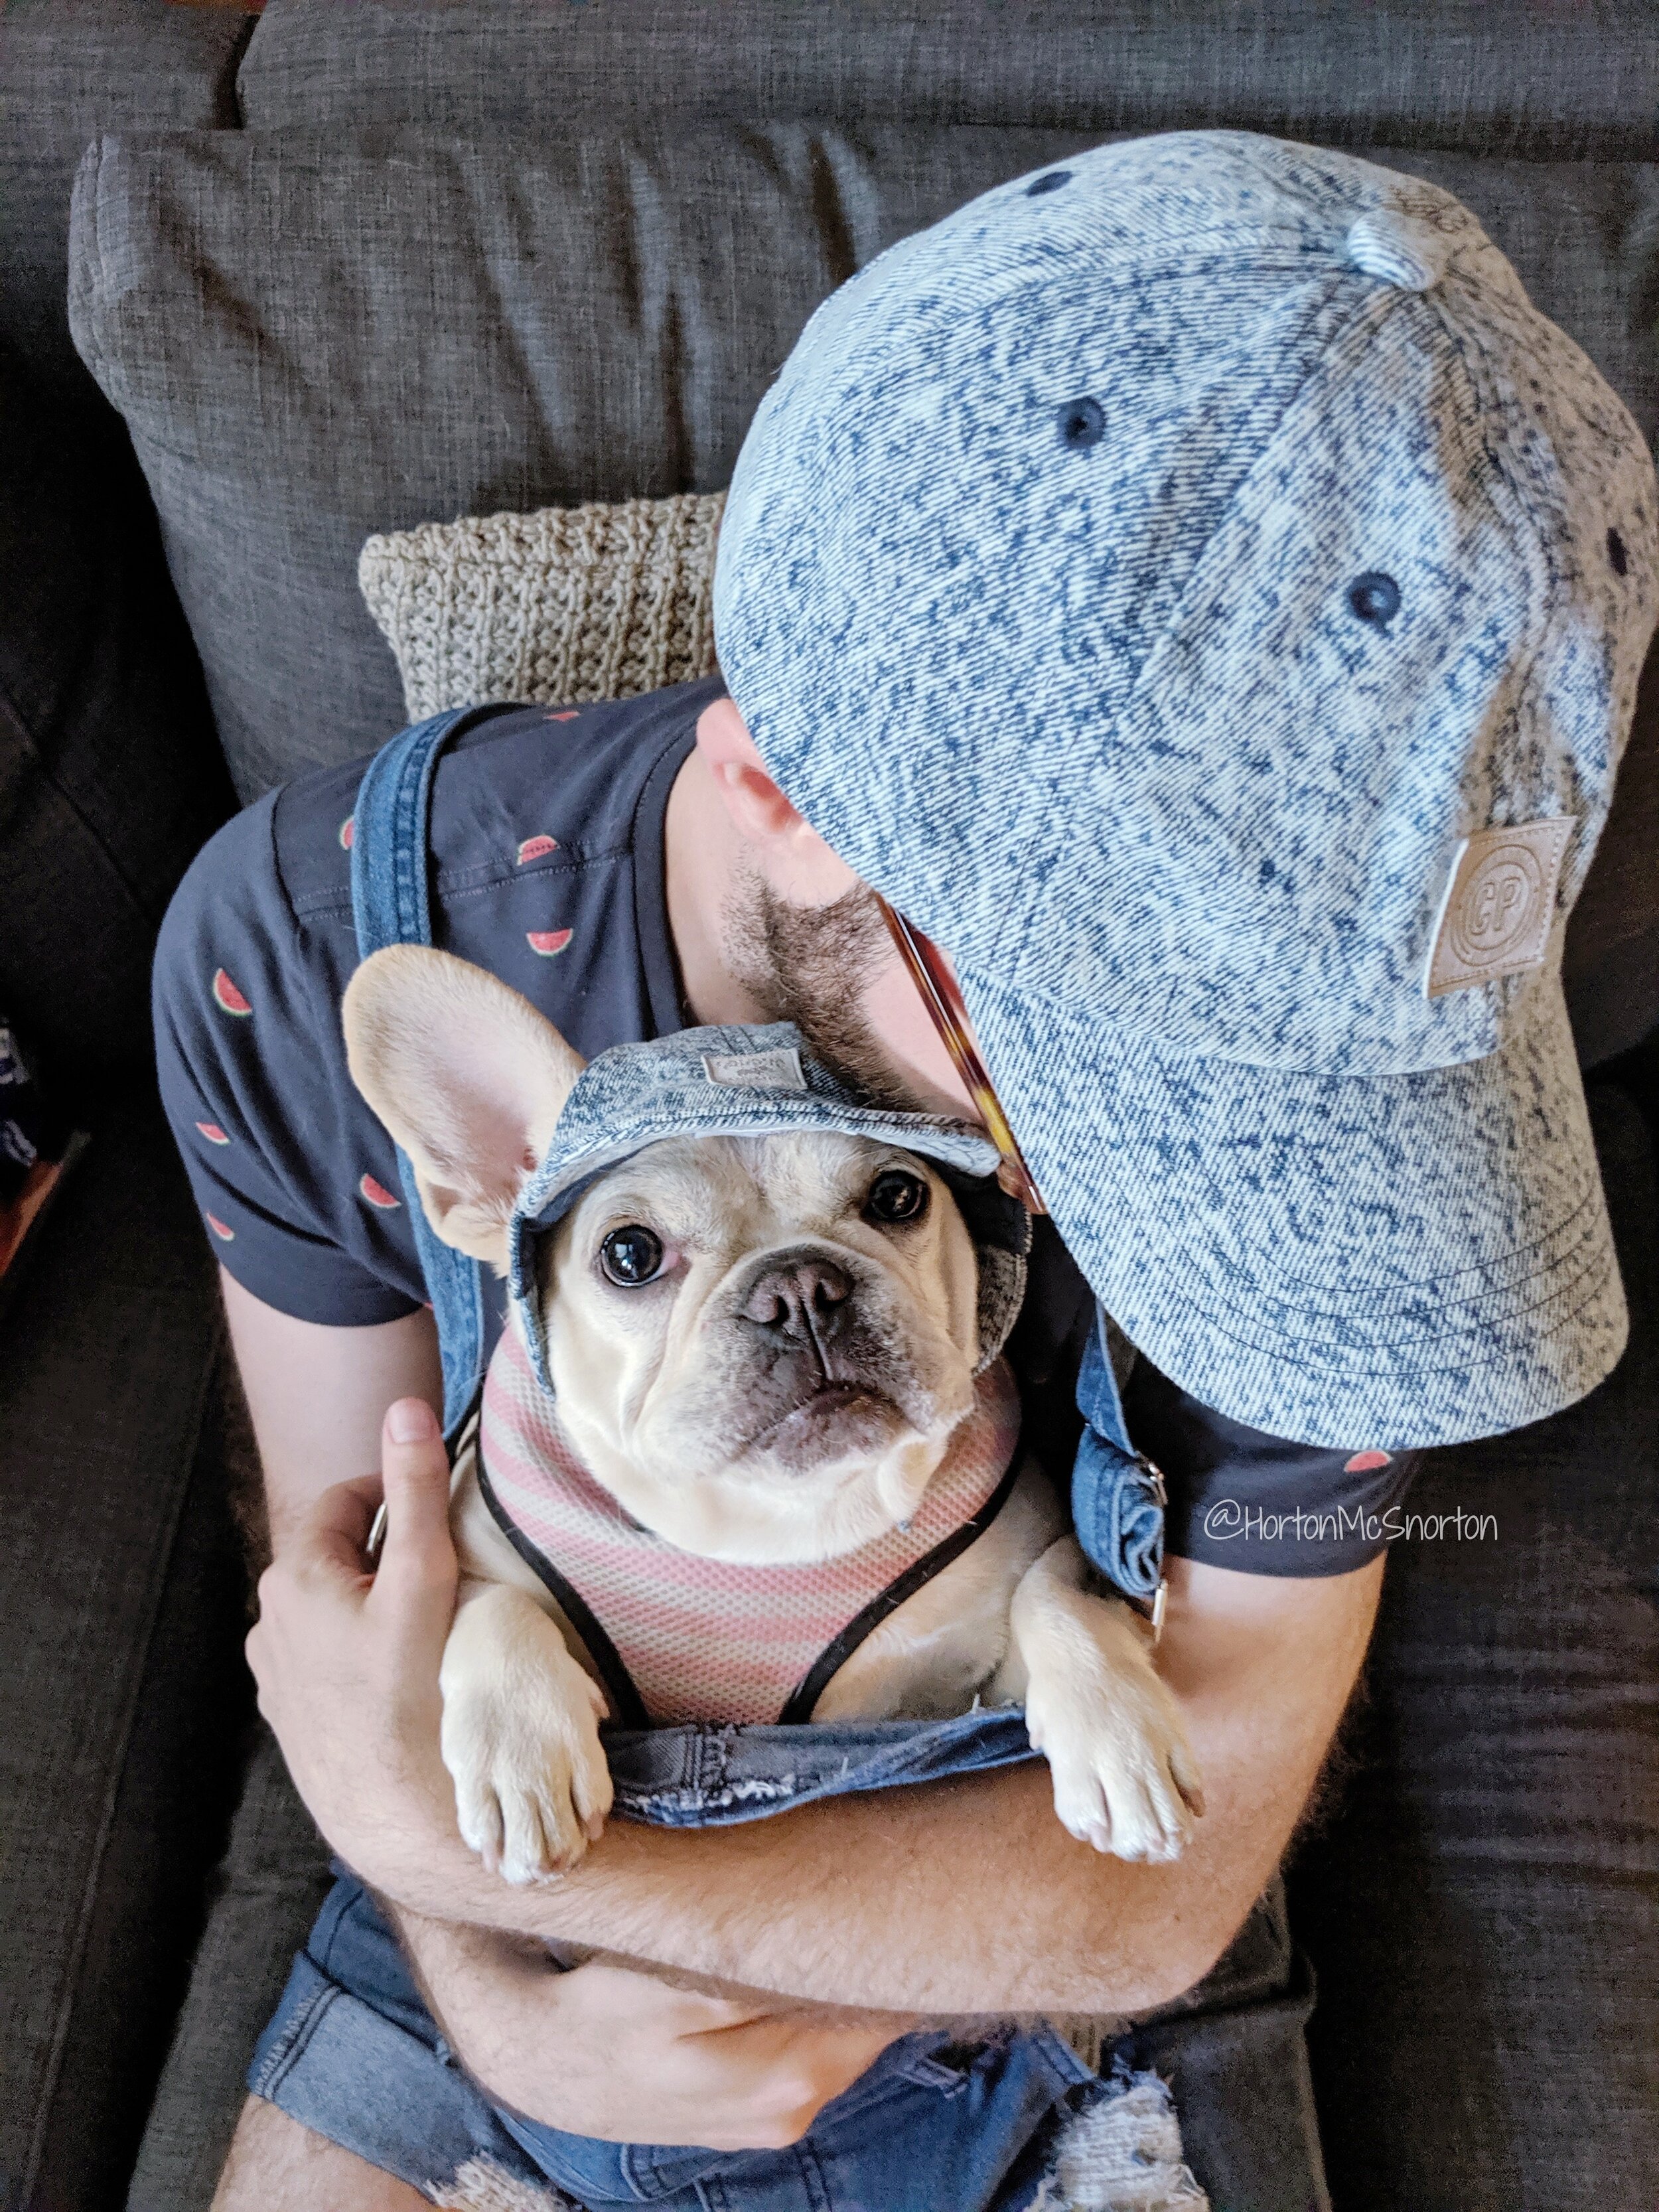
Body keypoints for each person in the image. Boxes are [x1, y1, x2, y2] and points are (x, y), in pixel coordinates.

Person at [153, 134, 1657, 2210]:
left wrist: (468, 1857)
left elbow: (1155, 1879)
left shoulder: (1363, 1041)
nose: (1136, 1163)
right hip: (513, 1871)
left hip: (1027, 1872)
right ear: (771, 776)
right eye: (1077, 1044)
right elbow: (351, 1595)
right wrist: (482, 1963)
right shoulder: (308, 940)